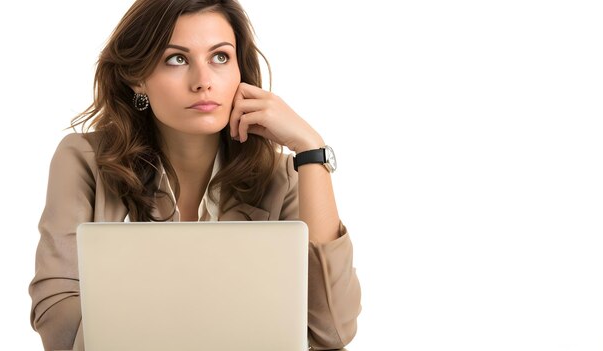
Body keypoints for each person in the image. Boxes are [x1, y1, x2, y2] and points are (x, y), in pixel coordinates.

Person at [28, 0, 361, 350]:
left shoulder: (282, 177)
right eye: (177, 58)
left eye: (220, 57)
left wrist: (311, 152)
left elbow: (332, 330)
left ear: (240, 71)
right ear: (137, 77)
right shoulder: (84, 160)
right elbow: (57, 320)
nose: (203, 81)